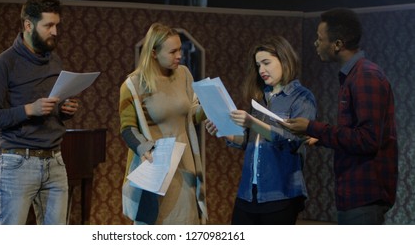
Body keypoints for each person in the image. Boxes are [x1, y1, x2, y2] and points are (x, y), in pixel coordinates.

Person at [283, 8, 398, 225]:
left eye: (320, 39)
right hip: (353, 194)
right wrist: (321, 138)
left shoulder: (365, 77)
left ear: (337, 44)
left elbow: (368, 140)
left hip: (364, 195)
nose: (316, 44)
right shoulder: (353, 76)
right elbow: (355, 134)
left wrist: (312, 127)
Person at [0, 0, 80, 225]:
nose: (55, 32)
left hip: (55, 162)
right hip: (18, 164)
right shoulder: (3, 64)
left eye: (57, 25)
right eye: (48, 25)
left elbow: (51, 108)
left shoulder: (54, 61)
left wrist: (65, 110)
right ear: (28, 25)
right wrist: (28, 110)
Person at [205, 36, 317, 225]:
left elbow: (293, 139)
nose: (261, 70)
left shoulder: (302, 97)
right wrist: (223, 130)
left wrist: (253, 123)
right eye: (258, 65)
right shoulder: (260, 98)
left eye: (266, 63)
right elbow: (248, 140)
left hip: (281, 192)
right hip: (249, 192)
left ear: (284, 59)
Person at [119, 23, 207, 225]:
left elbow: (190, 116)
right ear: (154, 53)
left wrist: (210, 108)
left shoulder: (183, 74)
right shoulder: (133, 84)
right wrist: (142, 148)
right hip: (155, 166)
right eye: (173, 51)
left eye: (180, 50)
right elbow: (127, 127)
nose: (179, 56)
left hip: (185, 166)